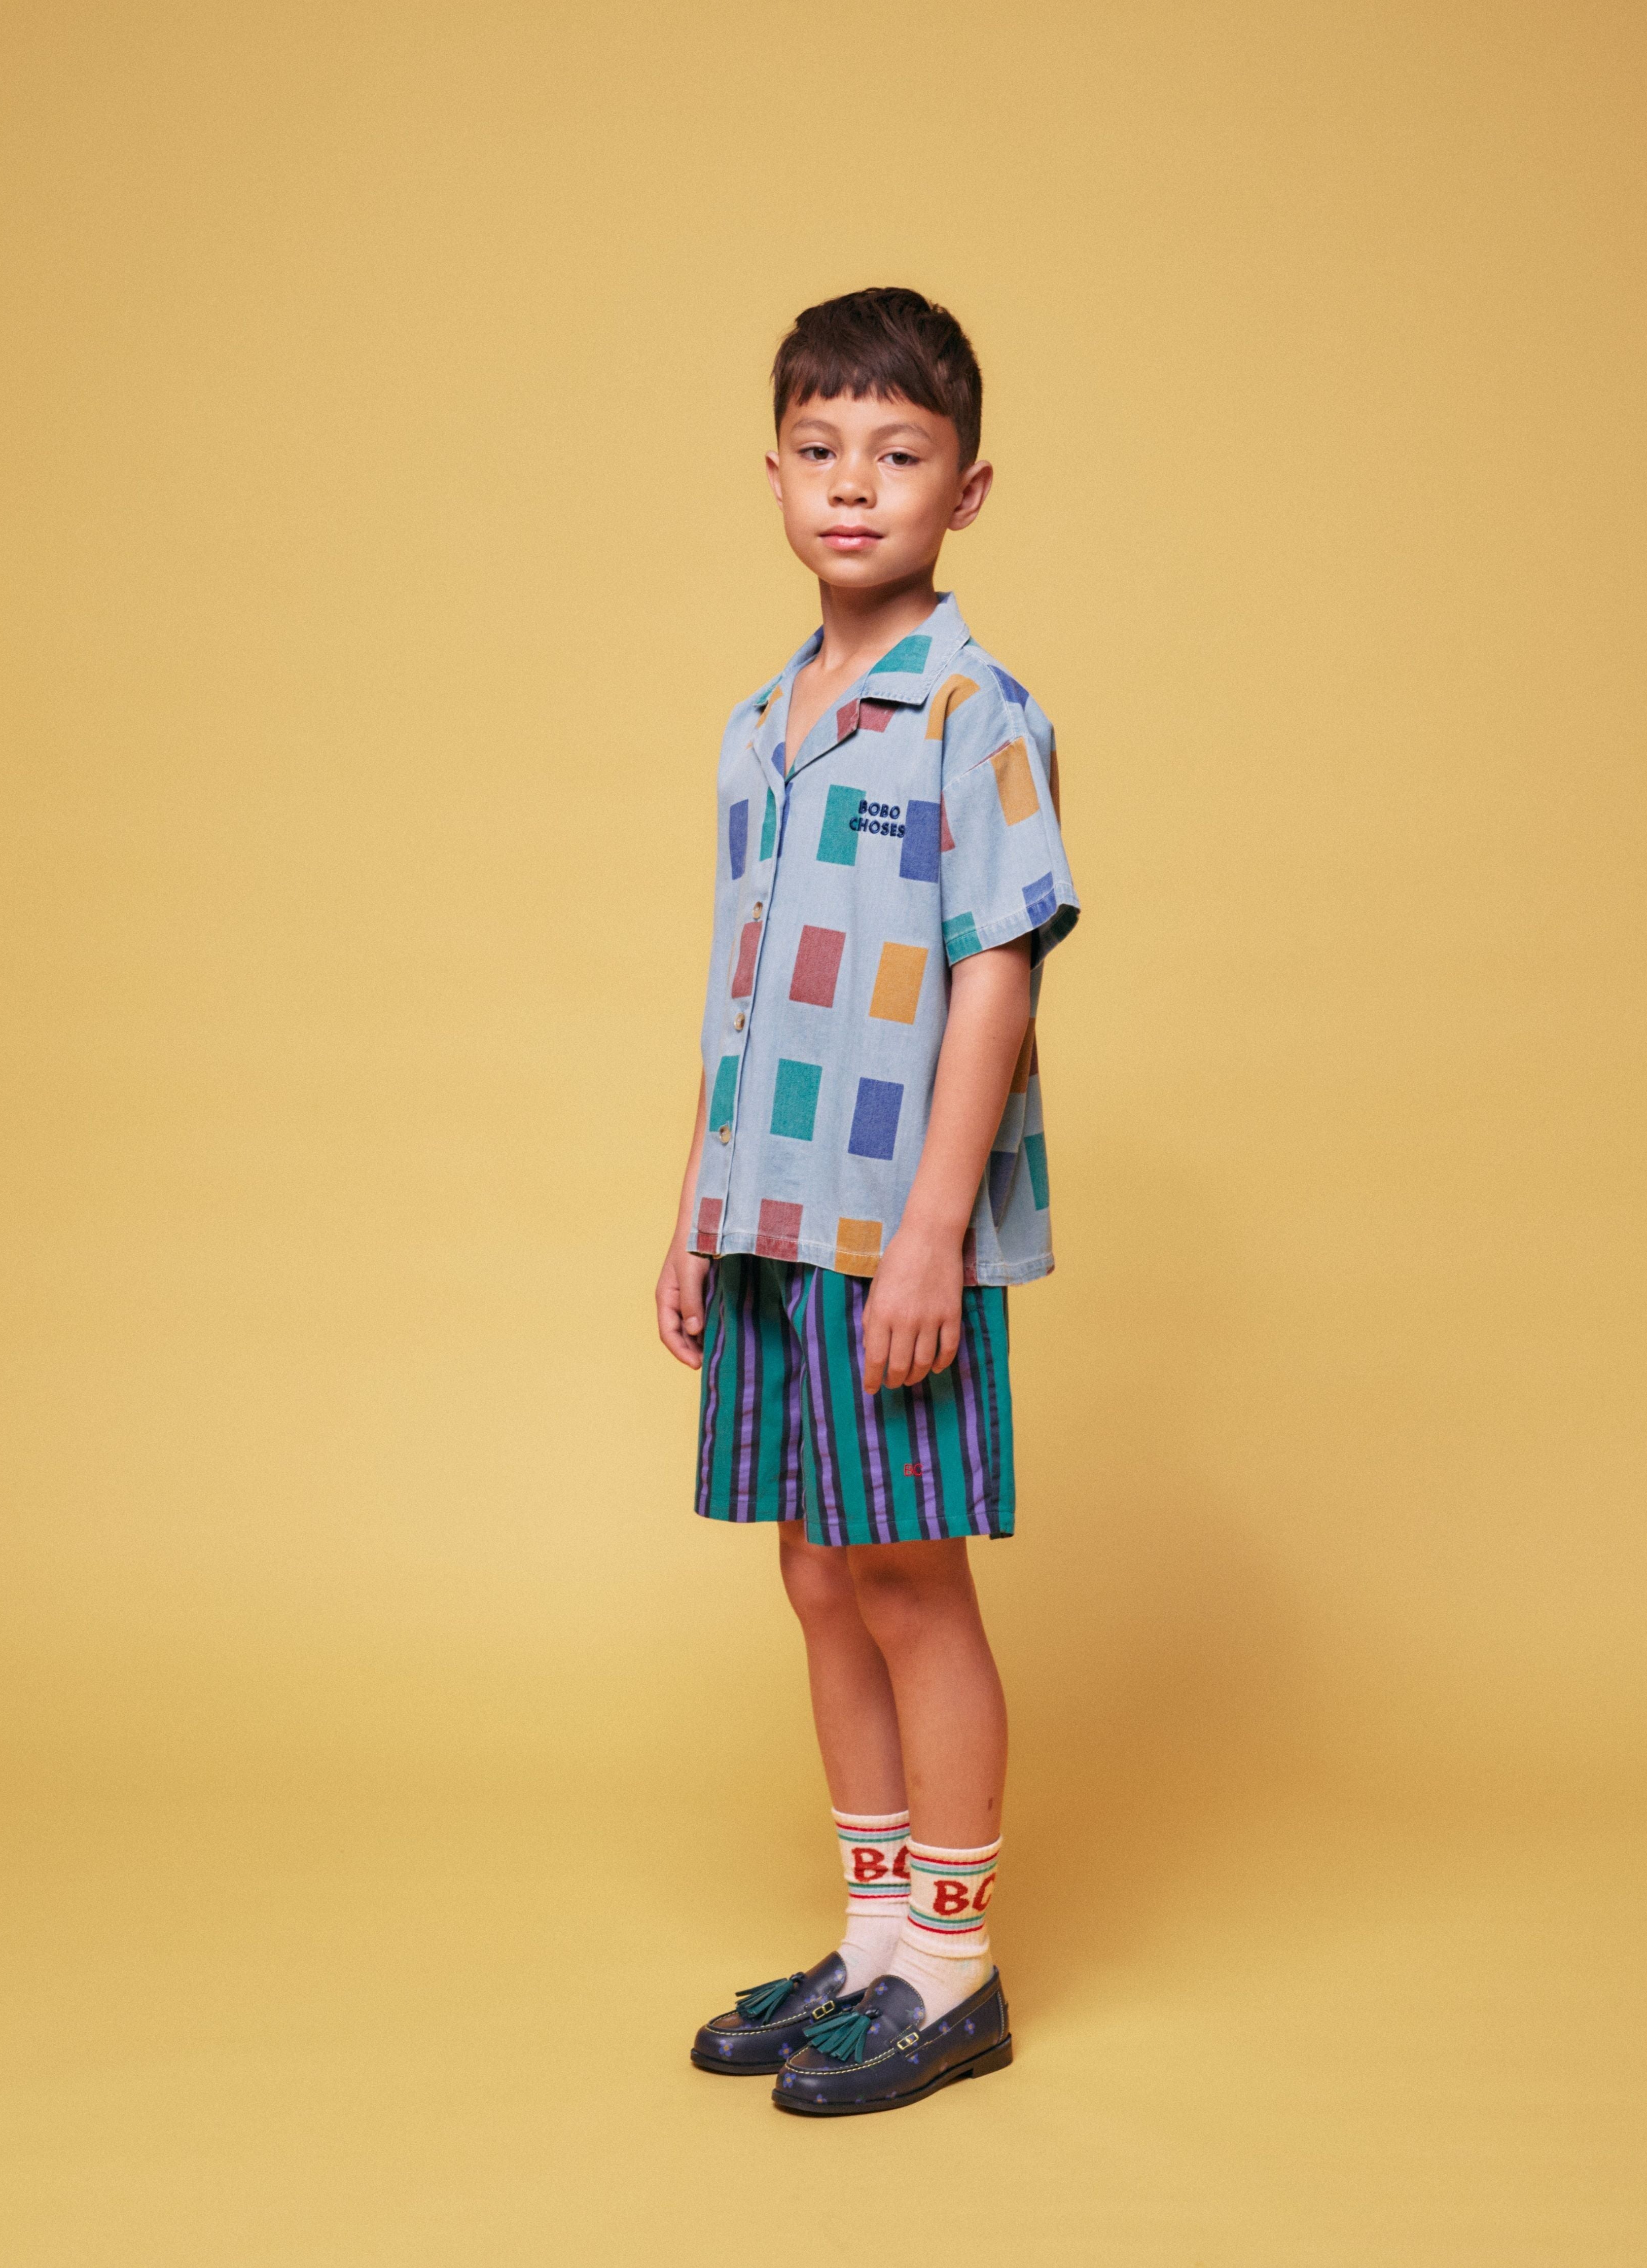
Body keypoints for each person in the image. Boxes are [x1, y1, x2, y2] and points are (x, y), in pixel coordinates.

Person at [654, 288, 1081, 2116]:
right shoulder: (763, 721)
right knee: (818, 1568)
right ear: (772, 475)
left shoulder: (978, 715)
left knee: (909, 1576)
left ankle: (954, 1972)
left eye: (897, 455)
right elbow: (742, 983)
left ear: (963, 492)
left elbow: (999, 970)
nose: (853, 486)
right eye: (820, 451)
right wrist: (695, 1201)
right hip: (770, 1214)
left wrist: (929, 1234)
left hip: (891, 1227)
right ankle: (877, 1939)